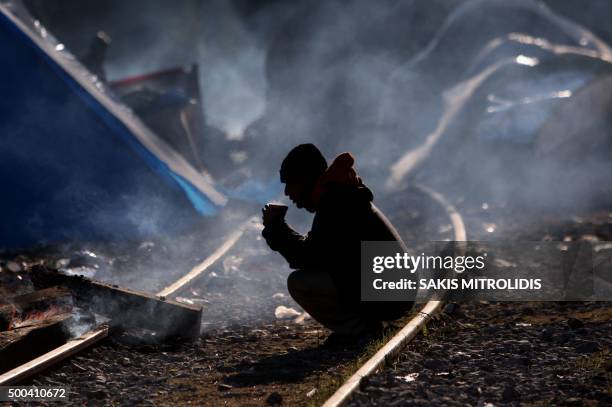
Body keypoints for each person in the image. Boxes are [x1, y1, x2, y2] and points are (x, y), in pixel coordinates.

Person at [262, 144, 413, 343]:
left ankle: (362, 331)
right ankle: (366, 326)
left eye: (291, 183)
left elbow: (307, 257)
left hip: (391, 295)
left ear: (307, 180)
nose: (288, 193)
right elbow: (317, 250)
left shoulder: (336, 202)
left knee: (300, 283)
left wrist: (276, 228)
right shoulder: (338, 195)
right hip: (394, 290)